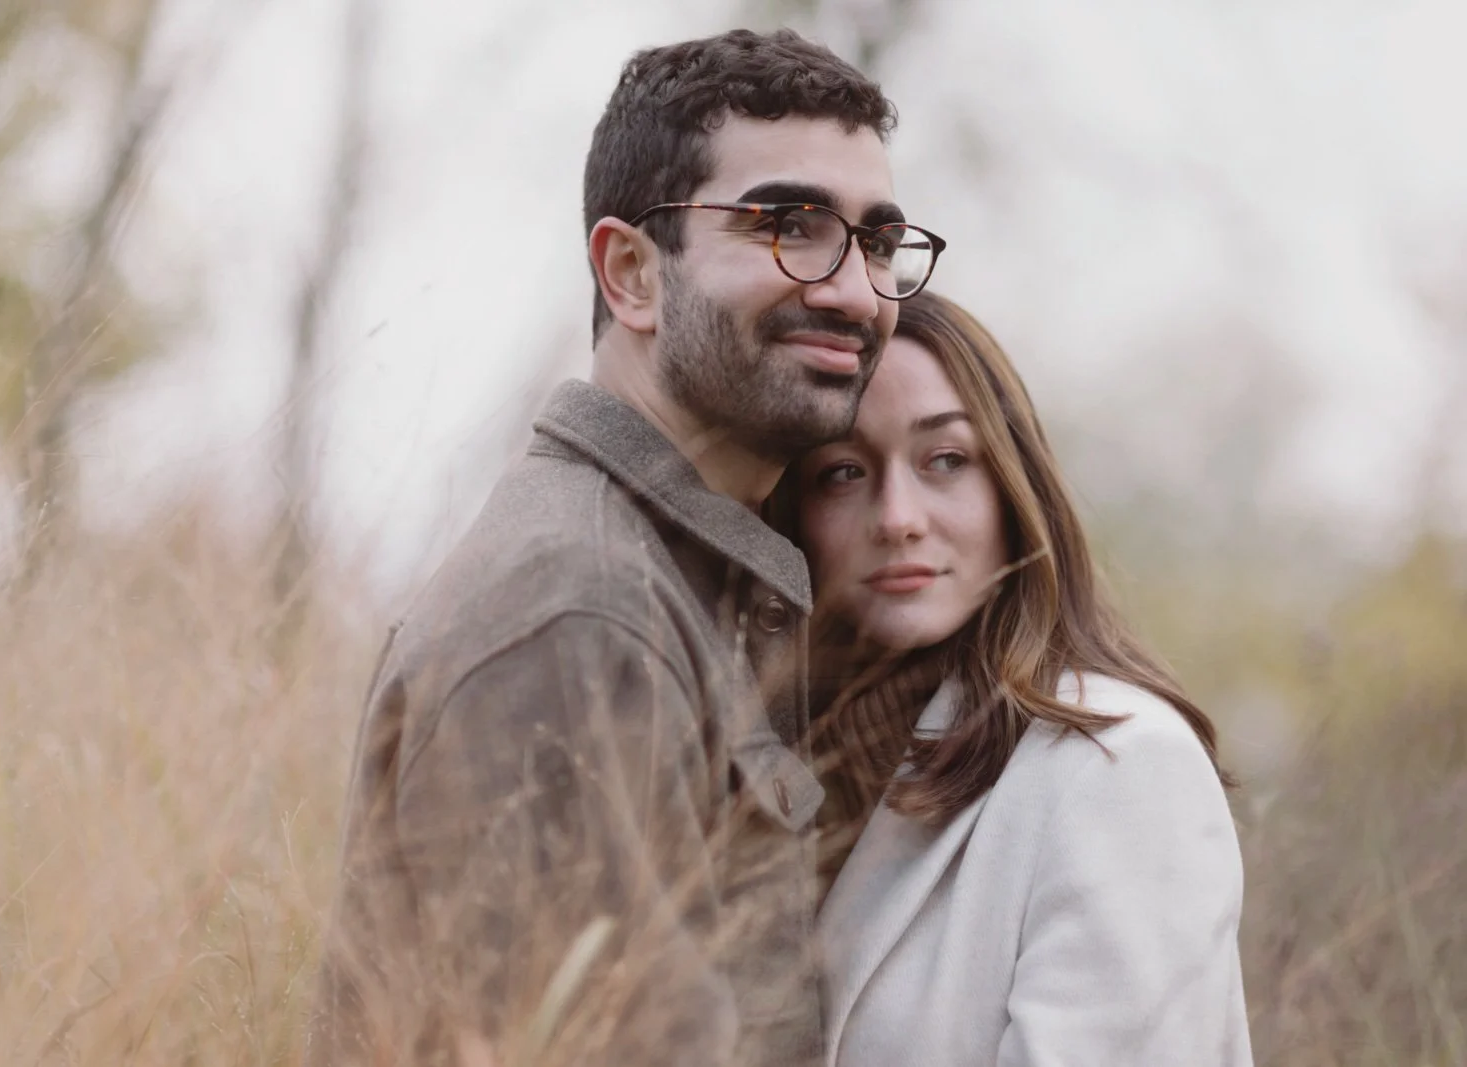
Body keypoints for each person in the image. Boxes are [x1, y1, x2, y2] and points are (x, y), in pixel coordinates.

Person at [306, 29, 946, 1067]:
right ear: (632, 273)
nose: (853, 290)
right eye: (789, 224)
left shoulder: (689, 586)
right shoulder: (582, 610)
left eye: (877, 242)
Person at [776, 291, 1252, 1066]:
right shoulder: (799, 779)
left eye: (945, 460)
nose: (897, 516)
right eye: (842, 471)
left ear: (1011, 488)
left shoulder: (1118, 764)